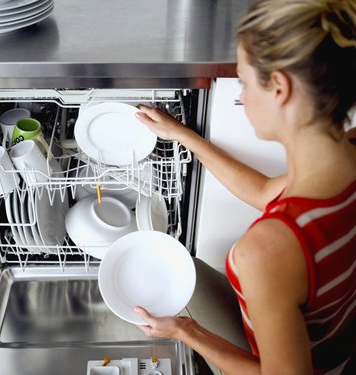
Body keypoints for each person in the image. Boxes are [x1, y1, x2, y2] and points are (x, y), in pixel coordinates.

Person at [134, 0, 356, 374]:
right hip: (337, 340)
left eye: (244, 81)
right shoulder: (347, 151)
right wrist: (183, 135)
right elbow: (265, 191)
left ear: (280, 88)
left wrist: (186, 332)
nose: (241, 95)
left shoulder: (267, 251)